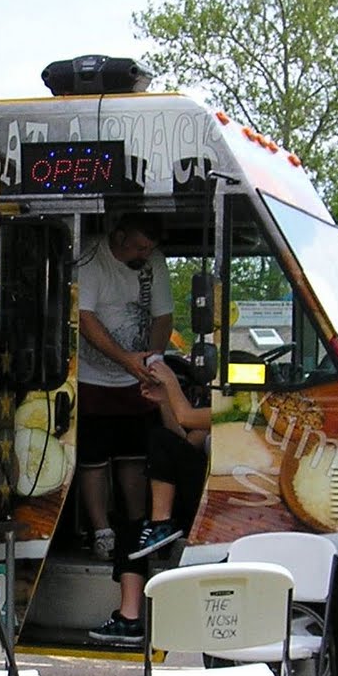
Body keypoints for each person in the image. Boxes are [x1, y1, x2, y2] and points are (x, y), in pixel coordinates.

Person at [74, 213, 173, 563]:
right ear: (118, 236)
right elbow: (83, 317)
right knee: (93, 459)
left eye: (149, 249)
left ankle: (135, 527)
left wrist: (153, 360)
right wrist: (124, 359)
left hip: (137, 378)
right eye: (138, 247)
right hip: (90, 376)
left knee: (134, 456)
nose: (144, 255)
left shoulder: (153, 261)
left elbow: (163, 315)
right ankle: (101, 530)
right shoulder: (91, 257)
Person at [90, 358, 209, 646]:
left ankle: (161, 524)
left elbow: (186, 418)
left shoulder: (235, 411)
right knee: (132, 526)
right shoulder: (207, 416)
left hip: (211, 503)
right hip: (191, 494)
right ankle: (129, 619)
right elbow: (182, 440)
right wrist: (164, 401)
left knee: (158, 438)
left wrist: (169, 380)